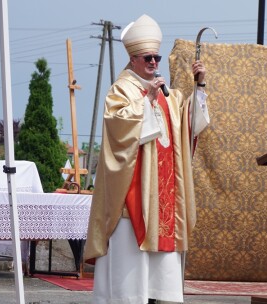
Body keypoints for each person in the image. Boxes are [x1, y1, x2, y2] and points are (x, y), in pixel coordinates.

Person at [83, 14, 210, 304]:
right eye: (148, 58)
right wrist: (147, 102)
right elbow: (118, 128)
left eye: (157, 57)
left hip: (164, 193)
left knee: (159, 273)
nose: (154, 63)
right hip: (134, 193)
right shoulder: (122, 90)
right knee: (131, 272)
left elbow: (191, 124)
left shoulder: (169, 94)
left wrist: (199, 86)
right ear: (133, 59)